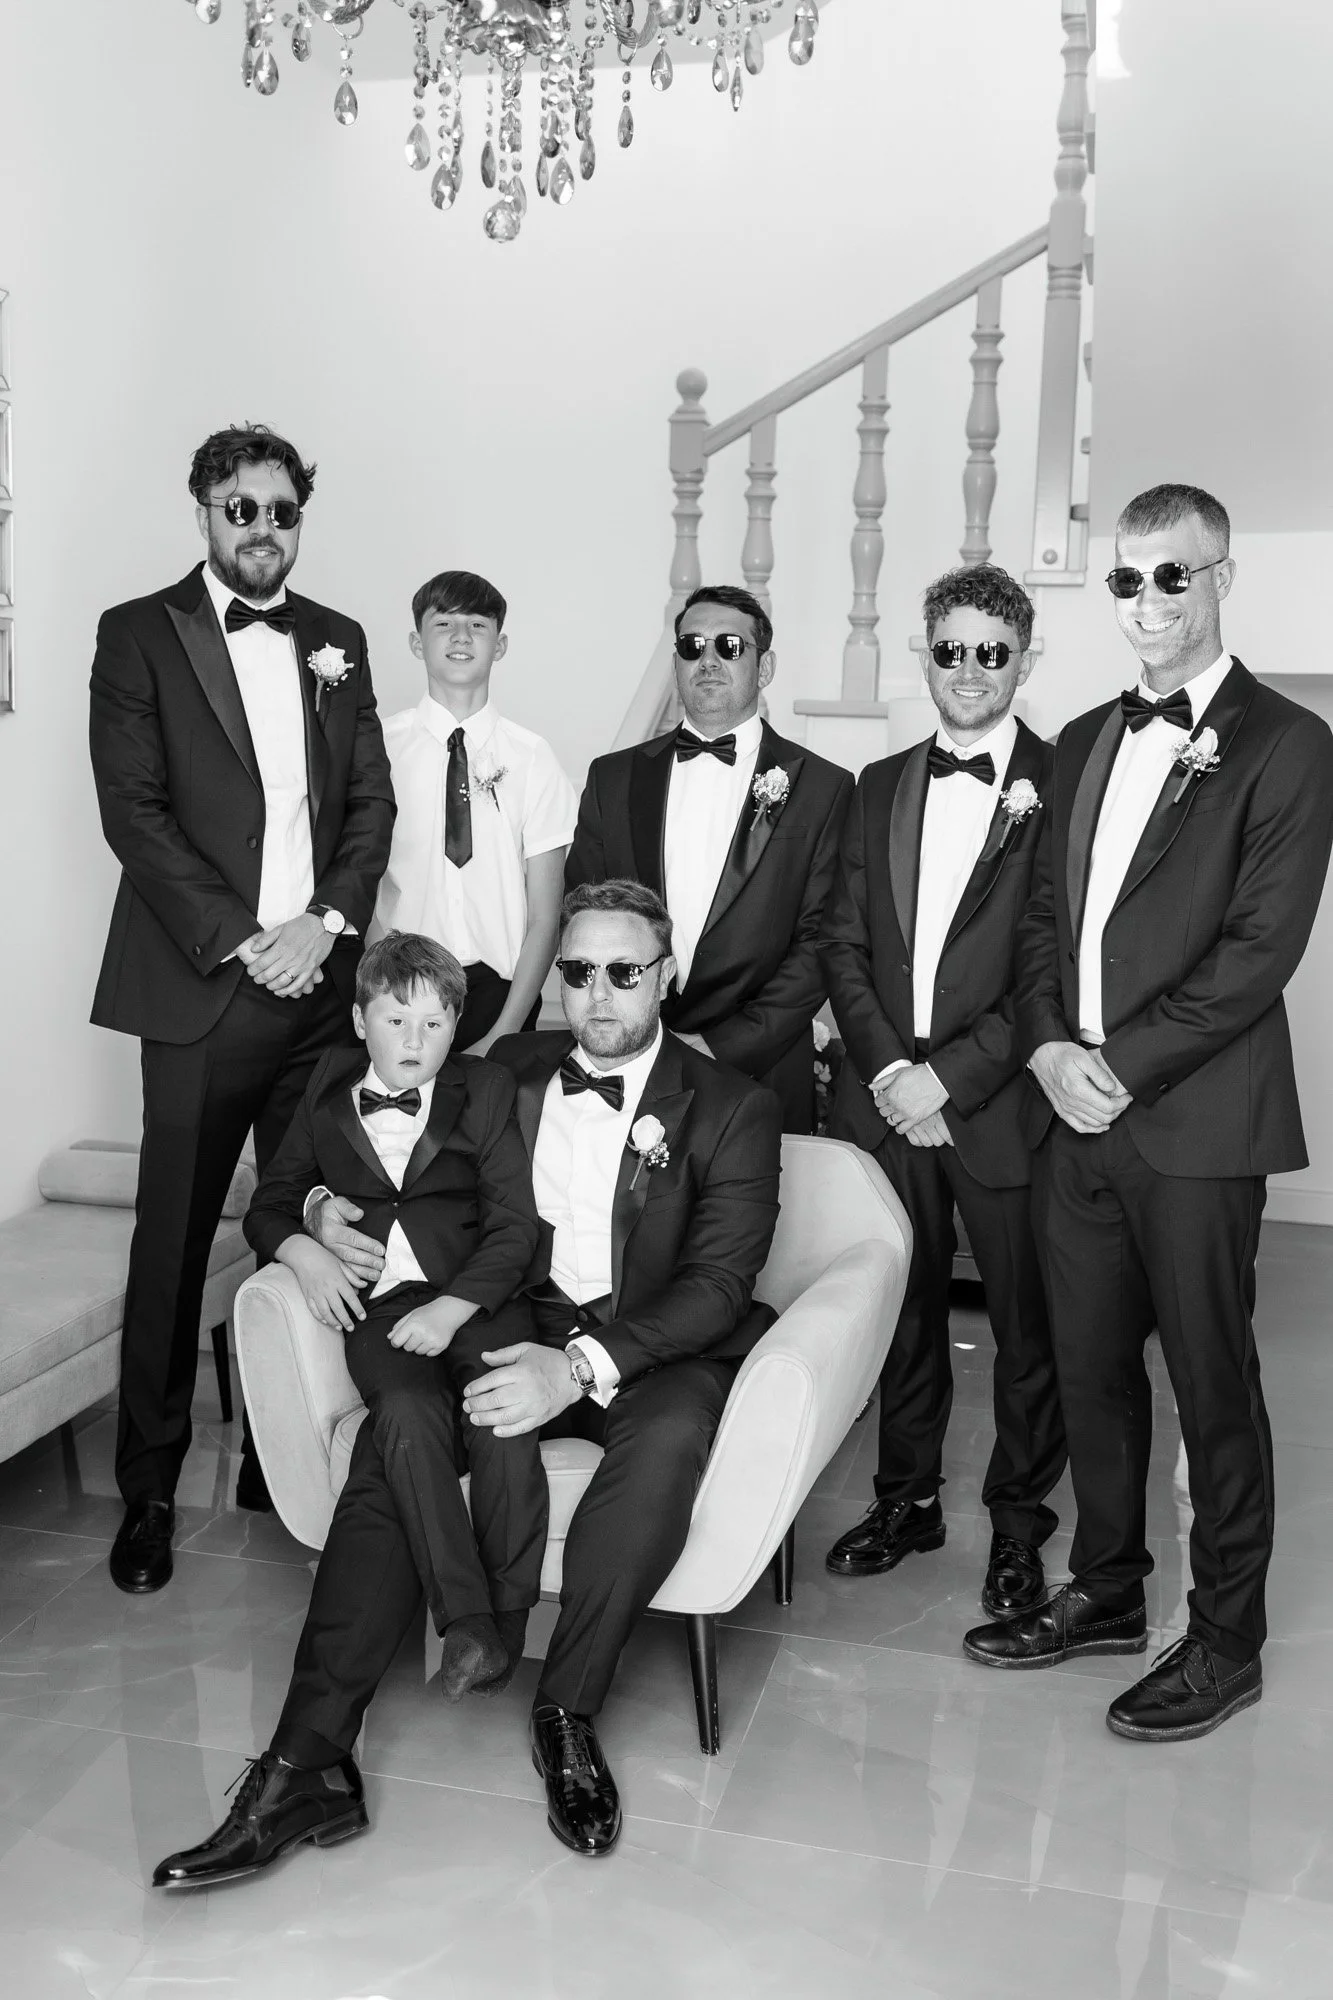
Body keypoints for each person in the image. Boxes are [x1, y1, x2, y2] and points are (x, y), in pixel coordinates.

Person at [151, 880, 782, 1887]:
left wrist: (572, 1366)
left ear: (666, 975)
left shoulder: (735, 1106)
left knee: (660, 1449)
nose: (598, 993)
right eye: (575, 972)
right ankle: (307, 1760)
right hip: (506, 1316)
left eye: (625, 970)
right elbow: (383, 1149)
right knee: (390, 1448)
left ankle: (564, 1711)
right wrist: (312, 1209)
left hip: (651, 1348)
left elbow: (718, 1286)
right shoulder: (503, 1070)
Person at [962, 483, 1333, 1742]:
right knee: (1089, 1371)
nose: (1147, 602)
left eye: (1171, 575)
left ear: (1221, 576)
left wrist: (1121, 1061)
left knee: (1212, 1377)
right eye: (1124, 580)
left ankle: (1226, 1639)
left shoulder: (1286, 741)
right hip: (1075, 1117)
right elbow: (1037, 928)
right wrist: (1053, 1048)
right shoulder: (1076, 738)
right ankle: (1107, 1591)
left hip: (1195, 1123)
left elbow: (1257, 949)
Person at [89, 422, 395, 1592]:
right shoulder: (137, 634)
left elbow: (368, 802)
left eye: (282, 510)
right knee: (173, 1243)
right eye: (241, 508)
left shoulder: (340, 640)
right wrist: (241, 938)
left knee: (320, 1221)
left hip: (319, 992)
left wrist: (325, 921)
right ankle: (151, 1490)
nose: (262, 528)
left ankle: (295, 1455)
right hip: (201, 990)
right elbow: (136, 815)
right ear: (204, 512)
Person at [820, 565, 1065, 1620]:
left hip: (999, 1101)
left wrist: (947, 1077)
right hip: (886, 1095)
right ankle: (905, 1496)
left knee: (1025, 1325)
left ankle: (1018, 1527)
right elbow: (839, 938)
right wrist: (888, 1070)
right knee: (902, 1311)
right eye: (950, 649)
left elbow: (1049, 970)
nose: (968, 670)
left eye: (990, 651)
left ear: (1023, 658)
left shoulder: (1067, 785)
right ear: (924, 654)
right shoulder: (873, 784)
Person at [243, 931, 540, 1697]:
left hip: (478, 1294)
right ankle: (467, 1625)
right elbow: (268, 1205)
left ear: (457, 1028)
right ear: (357, 1019)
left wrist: (452, 1308)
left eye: (435, 1024)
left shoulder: (486, 1089)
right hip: (381, 1311)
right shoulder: (325, 1085)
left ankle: (508, 1617)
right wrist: (307, 1247)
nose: (415, 1041)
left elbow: (513, 1227)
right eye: (396, 1020)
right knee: (404, 1412)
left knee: (498, 1415)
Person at [565, 584, 852, 1131]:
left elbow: (821, 942)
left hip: (761, 1065)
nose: (709, 660)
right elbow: (583, 910)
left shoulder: (824, 788)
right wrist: (635, 1029)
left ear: (764, 668)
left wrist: (723, 1046)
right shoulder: (612, 777)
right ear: (676, 663)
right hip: (629, 1053)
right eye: (693, 646)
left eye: (730, 646)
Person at [371, 569, 577, 1053]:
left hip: (501, 991)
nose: (461, 637)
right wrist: (384, 987)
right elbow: (362, 879)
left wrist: (506, 1030)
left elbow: (545, 916)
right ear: (416, 643)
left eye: (478, 625)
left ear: (499, 645)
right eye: (443, 624)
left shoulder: (533, 757)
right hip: (401, 988)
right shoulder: (378, 748)